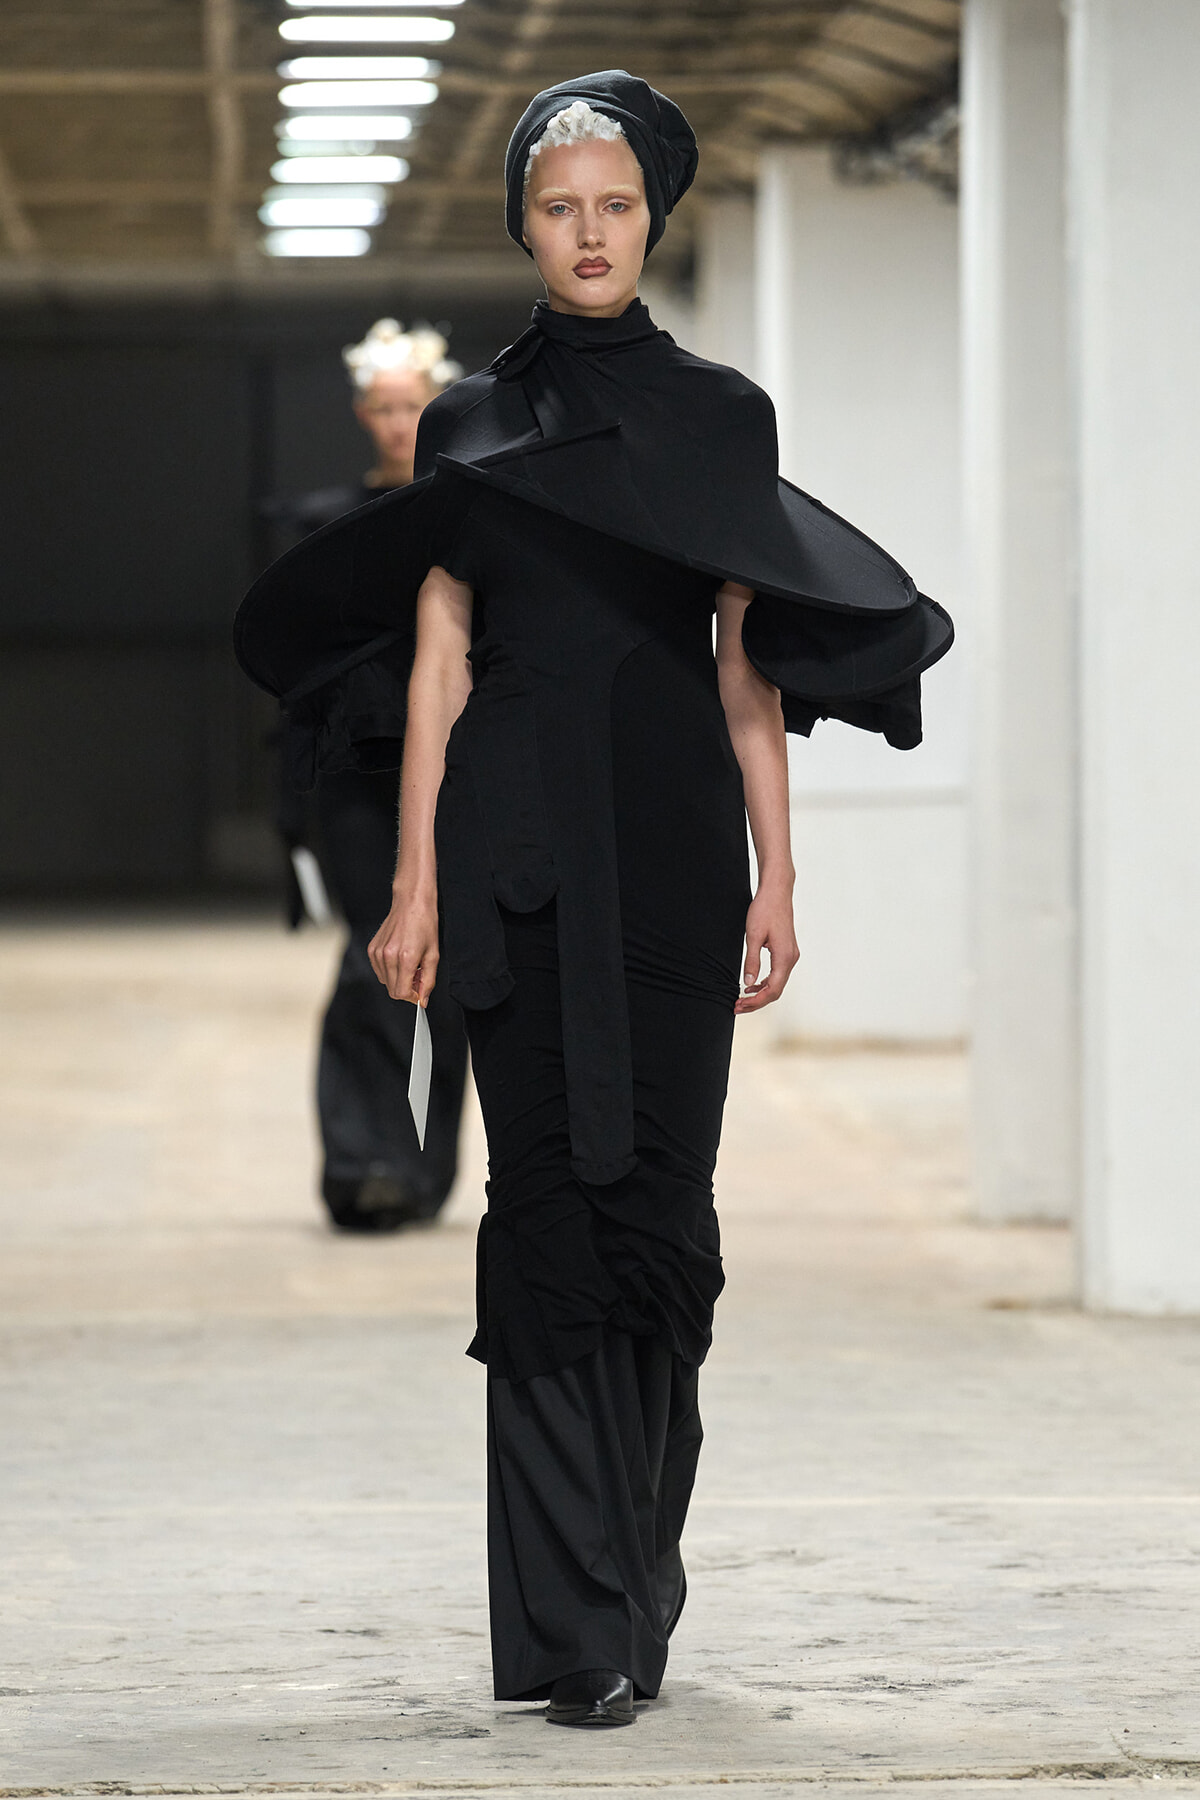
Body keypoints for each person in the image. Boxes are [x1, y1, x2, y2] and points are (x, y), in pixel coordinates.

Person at [236, 70, 952, 1727]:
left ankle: (640, 1581)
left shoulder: (722, 419)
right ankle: (572, 1630)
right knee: (547, 1206)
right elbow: (435, 660)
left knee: (663, 1216)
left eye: (616, 204)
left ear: (655, 214)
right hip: (512, 844)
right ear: (524, 223)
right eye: (559, 207)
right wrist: (411, 879)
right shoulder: (470, 422)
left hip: (681, 854)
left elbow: (748, 659)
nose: (589, 233)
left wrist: (782, 867)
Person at [269, 322, 469, 1234]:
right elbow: (292, 673)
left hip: (459, 772)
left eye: (413, 405)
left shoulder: (472, 515)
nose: (399, 422)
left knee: (452, 968)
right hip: (356, 774)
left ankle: (420, 1173)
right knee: (370, 958)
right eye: (384, 408)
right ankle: (360, 1164)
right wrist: (291, 809)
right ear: (363, 414)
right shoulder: (323, 526)